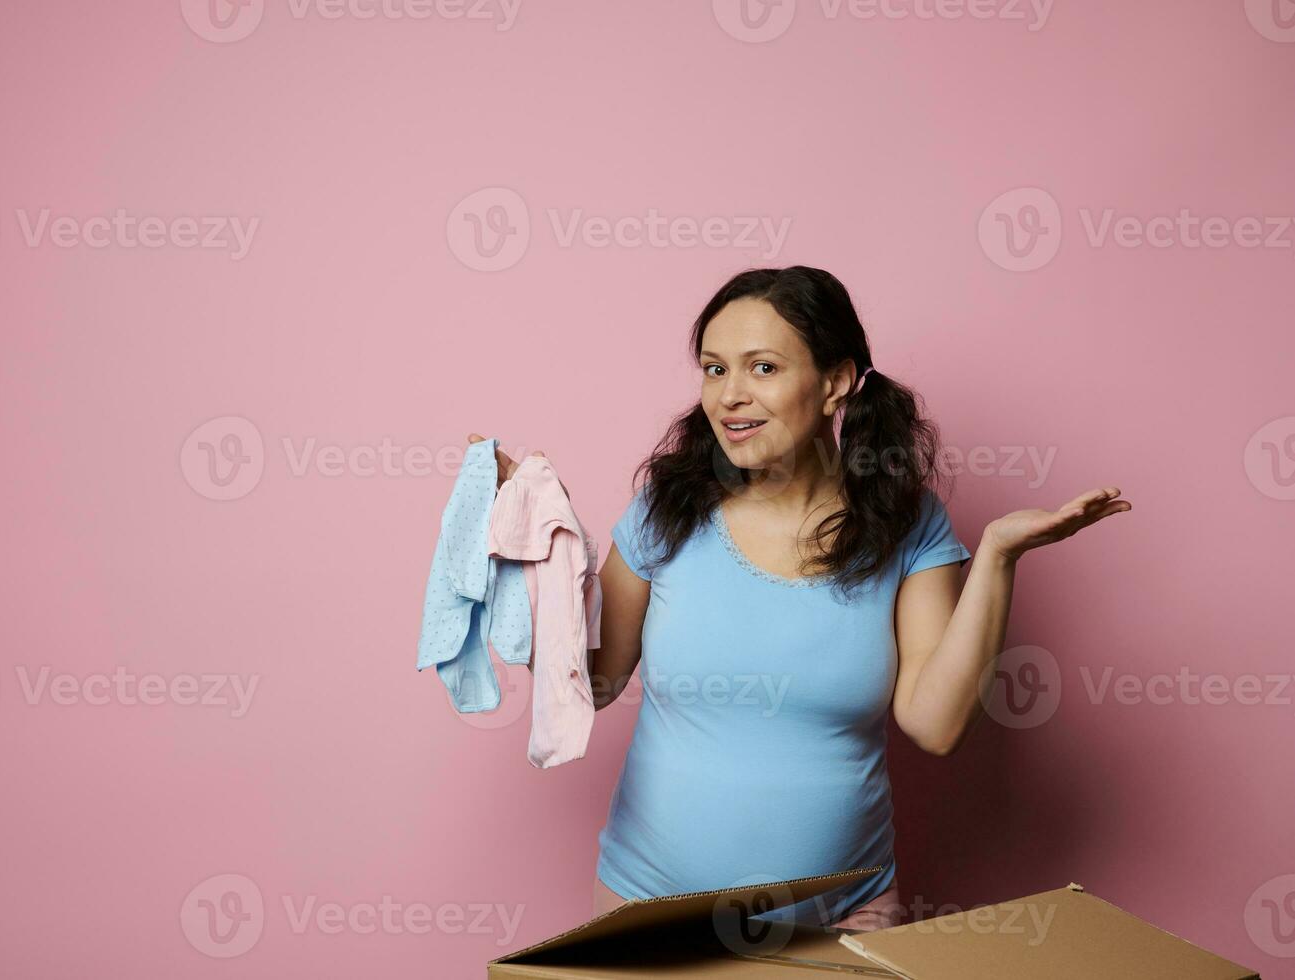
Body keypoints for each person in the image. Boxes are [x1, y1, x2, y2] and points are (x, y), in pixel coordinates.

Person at [468, 265, 1130, 932]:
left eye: (762, 368)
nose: (728, 396)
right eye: (713, 369)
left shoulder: (905, 522)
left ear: (834, 382)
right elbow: (592, 679)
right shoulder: (666, 509)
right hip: (649, 913)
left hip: (841, 920)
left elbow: (935, 725)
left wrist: (996, 555)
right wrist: (535, 556)